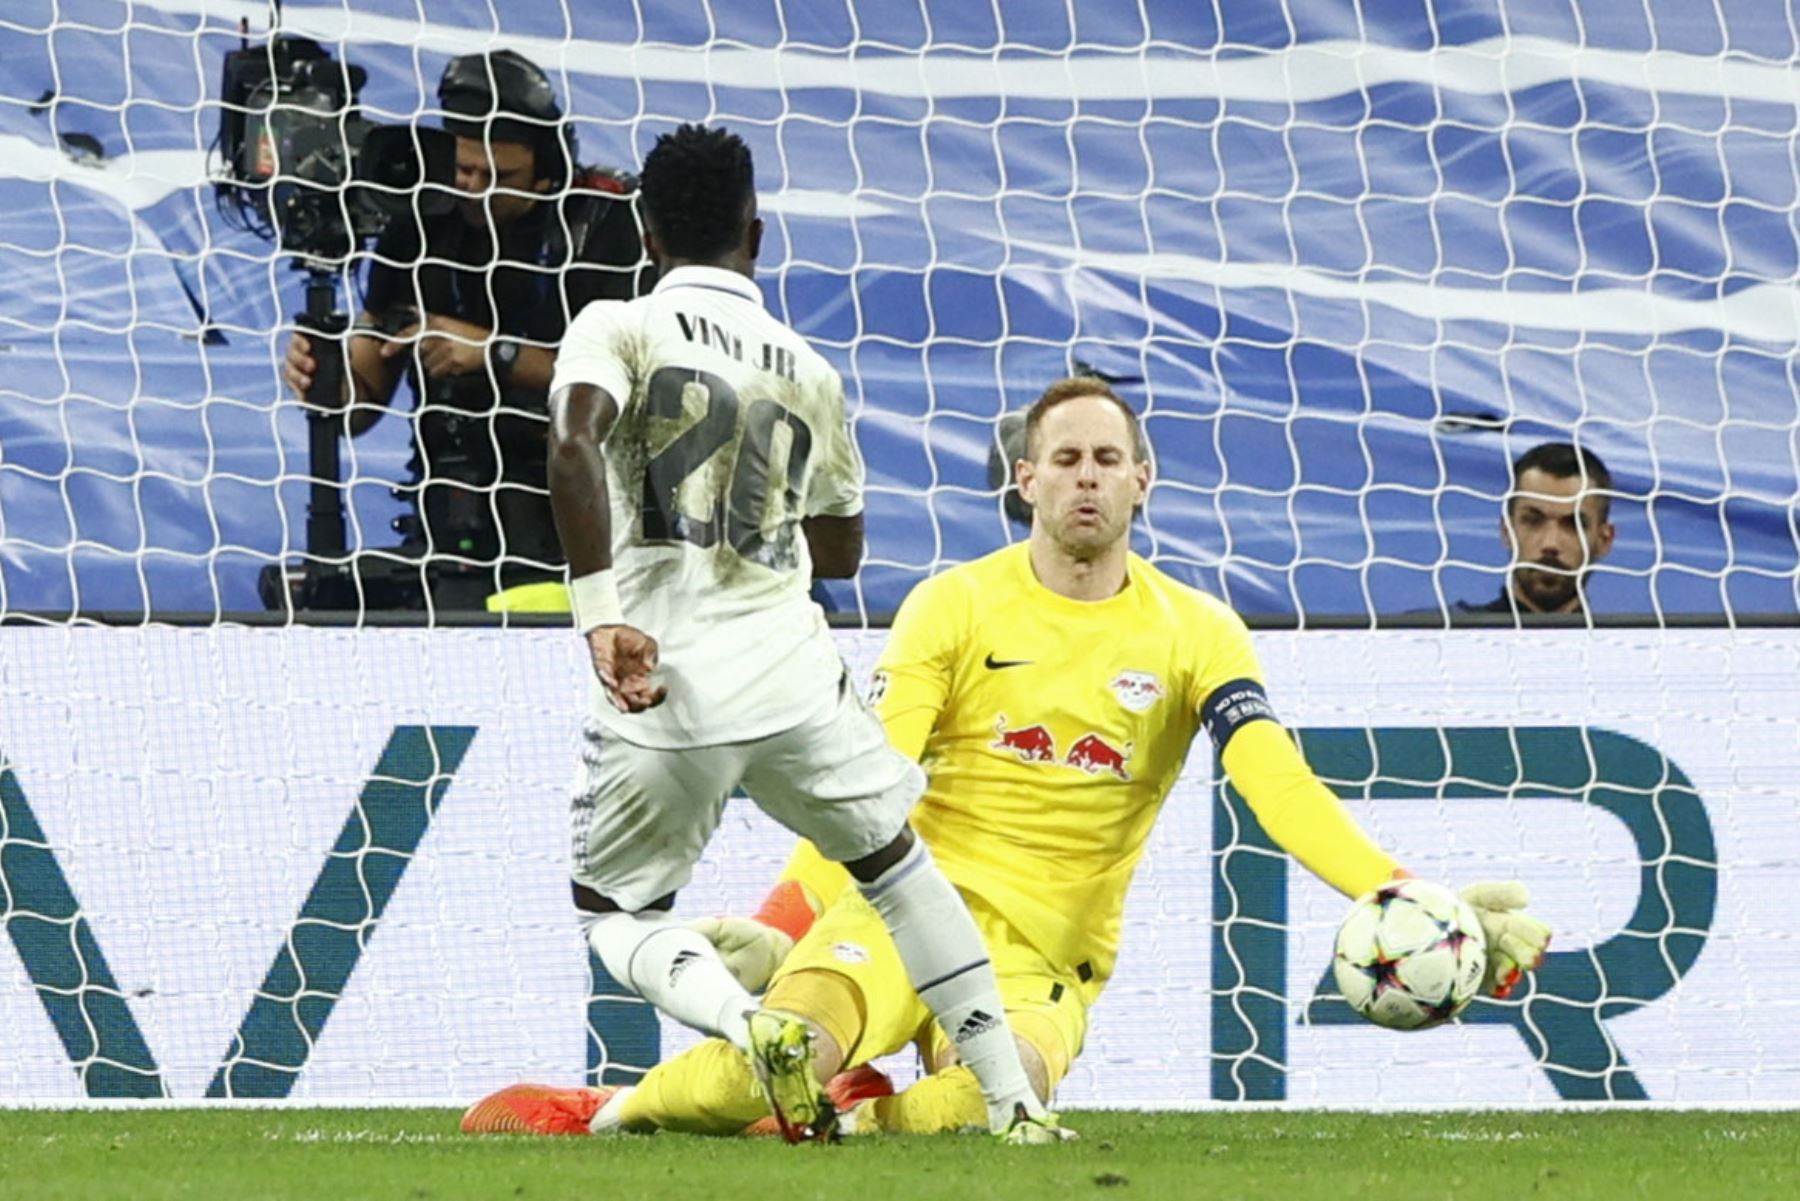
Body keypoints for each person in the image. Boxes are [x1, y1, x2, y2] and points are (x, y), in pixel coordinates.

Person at [461, 376, 1554, 1138]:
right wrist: (788, 918)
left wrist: (1400, 892)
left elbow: (1273, 780)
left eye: (1108, 460)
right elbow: (861, 787)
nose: (1087, 477)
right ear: (1025, 479)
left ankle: (858, 1107)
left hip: (1047, 958)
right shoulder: (956, 604)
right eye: (1065, 459)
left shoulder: (1197, 632)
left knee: (983, 1109)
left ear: (1143, 482)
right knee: (771, 1053)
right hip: (897, 920)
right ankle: (606, 1110)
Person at [479, 122, 1063, 1145]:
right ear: (758, 231)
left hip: (666, 677)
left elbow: (569, 441)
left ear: (647, 232)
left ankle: (753, 1026)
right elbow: (838, 552)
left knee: (618, 916)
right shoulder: (810, 370)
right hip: (796, 678)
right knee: (898, 873)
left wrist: (600, 612)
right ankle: (1015, 1104)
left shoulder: (615, 324)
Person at [281, 50, 648, 609]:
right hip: (449, 510)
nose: (474, 187)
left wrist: (493, 354)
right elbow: (360, 406)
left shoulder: (603, 224)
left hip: (581, 517)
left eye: (499, 176)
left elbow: (632, 389)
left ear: (549, 168)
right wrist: (326, 377)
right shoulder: (420, 224)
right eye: (464, 170)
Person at [1459, 441, 1616, 616]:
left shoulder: (1629, 641)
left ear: (1604, 541)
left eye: (1574, 525)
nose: (1551, 544)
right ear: (1507, 530)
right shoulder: (1442, 637)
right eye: (1533, 521)